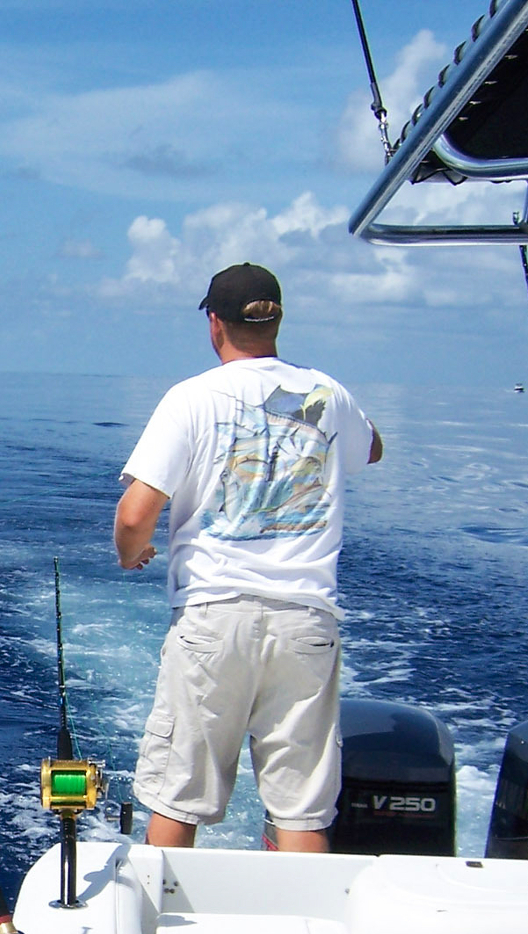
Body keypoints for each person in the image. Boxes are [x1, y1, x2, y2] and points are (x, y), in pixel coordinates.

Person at [114, 262, 382, 852]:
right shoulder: (327, 393)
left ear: (216, 323)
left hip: (215, 620)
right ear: (276, 319)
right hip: (306, 623)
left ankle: (161, 932)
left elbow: (135, 516)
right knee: (301, 808)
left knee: (176, 796)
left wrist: (132, 557)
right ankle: (305, 933)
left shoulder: (190, 398)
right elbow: (373, 448)